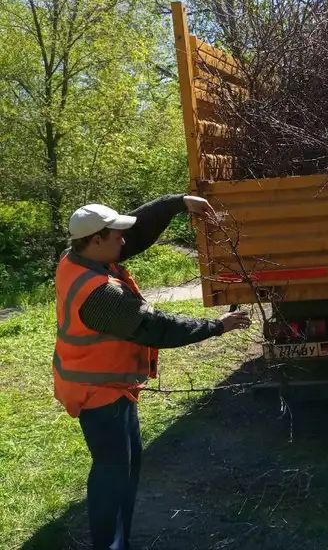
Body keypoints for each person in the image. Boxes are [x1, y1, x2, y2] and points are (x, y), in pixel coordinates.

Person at [53, 194, 251, 550]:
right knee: (113, 474)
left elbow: (137, 229)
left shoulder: (78, 258)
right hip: (98, 394)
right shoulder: (99, 295)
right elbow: (157, 328)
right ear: (96, 239)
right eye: (116, 236)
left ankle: (119, 542)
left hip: (111, 387)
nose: (124, 241)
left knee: (125, 469)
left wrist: (177, 203)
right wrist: (216, 327)